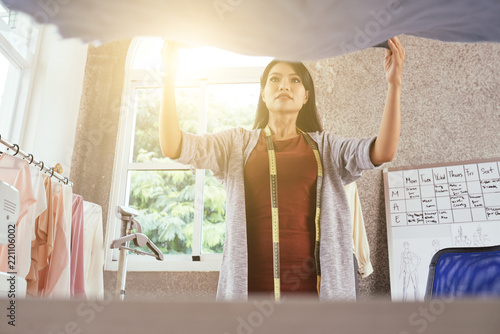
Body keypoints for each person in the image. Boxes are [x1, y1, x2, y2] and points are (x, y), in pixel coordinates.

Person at [159, 37, 405, 301]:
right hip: (249, 302)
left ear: (306, 95)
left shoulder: (328, 149)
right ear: (263, 94)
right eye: (274, 79)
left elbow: (383, 151)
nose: (284, 85)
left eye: (294, 80)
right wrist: (168, 77)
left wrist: (394, 84)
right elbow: (174, 146)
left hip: (313, 304)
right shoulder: (235, 145)